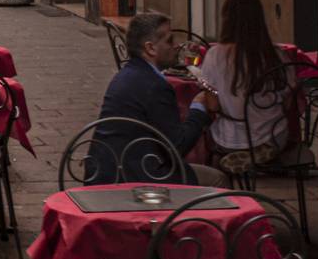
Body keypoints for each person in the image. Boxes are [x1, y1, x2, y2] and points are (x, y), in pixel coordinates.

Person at [94, 12, 228, 187]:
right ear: (150, 48)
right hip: (137, 177)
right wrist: (198, 107)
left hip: (106, 169)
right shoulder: (155, 85)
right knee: (217, 179)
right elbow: (177, 147)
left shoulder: (128, 74)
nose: (176, 45)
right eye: (170, 40)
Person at [198, 0, 294, 161]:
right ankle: (258, 154)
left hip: (231, 139)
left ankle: (243, 159)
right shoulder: (276, 55)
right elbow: (289, 100)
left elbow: (212, 106)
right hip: (273, 135)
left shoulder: (215, 55)